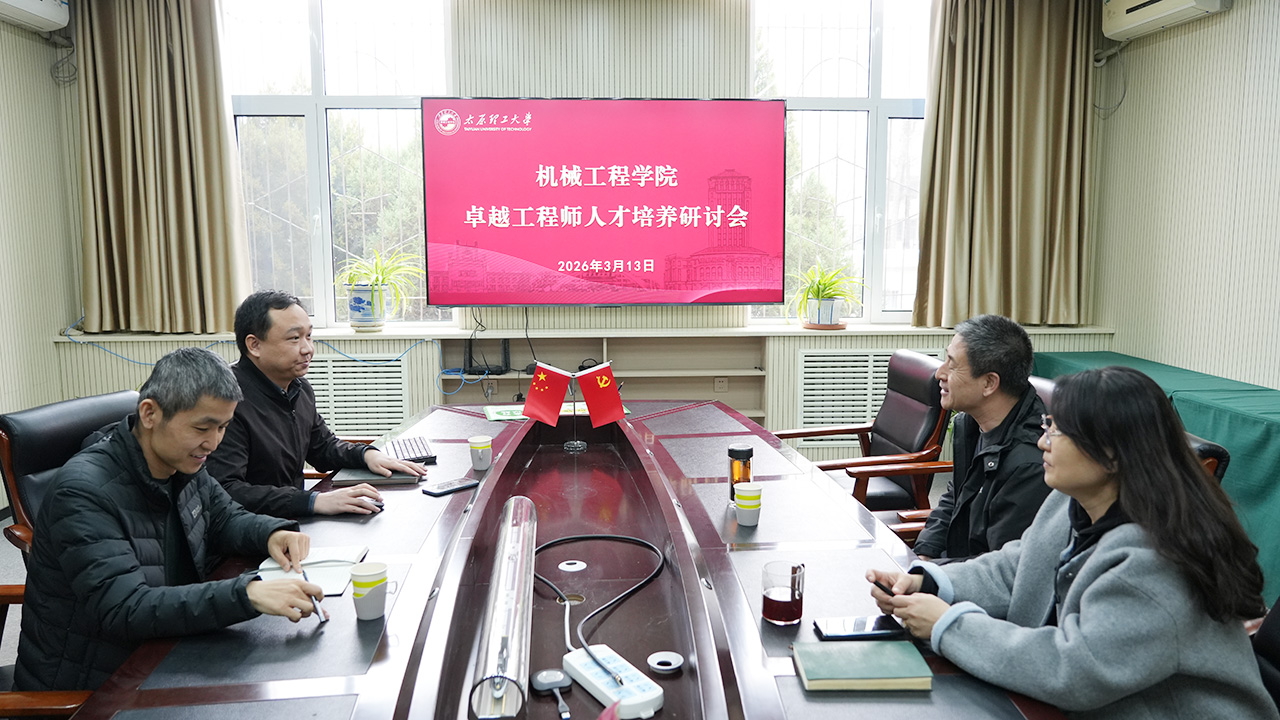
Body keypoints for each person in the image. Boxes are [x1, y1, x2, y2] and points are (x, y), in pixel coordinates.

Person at [869, 367, 1278, 719]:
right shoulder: (1070, 502)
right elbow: (1017, 567)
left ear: (1112, 455)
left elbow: (1075, 671)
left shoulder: (1155, 560)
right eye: (1048, 426)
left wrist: (949, 625)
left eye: (1059, 431)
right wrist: (930, 582)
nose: (1042, 442)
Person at [15, 348, 328, 692]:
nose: (213, 443)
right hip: (98, 685)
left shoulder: (182, 462)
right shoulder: (83, 492)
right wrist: (247, 594)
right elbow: (125, 609)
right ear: (150, 413)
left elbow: (223, 517)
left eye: (223, 427)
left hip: (167, 649)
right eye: (202, 428)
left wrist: (271, 533)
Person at [206, 290, 427, 519]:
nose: (308, 349)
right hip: (252, 529)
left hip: (290, 519)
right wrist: (312, 501)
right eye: (294, 338)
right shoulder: (227, 400)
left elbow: (322, 447)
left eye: (309, 336)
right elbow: (227, 490)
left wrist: (366, 455)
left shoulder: (298, 387)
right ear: (254, 345)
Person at [912, 314, 1049, 562]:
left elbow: (1000, 568)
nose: (939, 373)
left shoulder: (1029, 464)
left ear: (988, 383)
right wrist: (924, 554)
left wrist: (929, 574)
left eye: (952, 365)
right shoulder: (970, 425)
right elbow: (956, 498)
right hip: (958, 568)